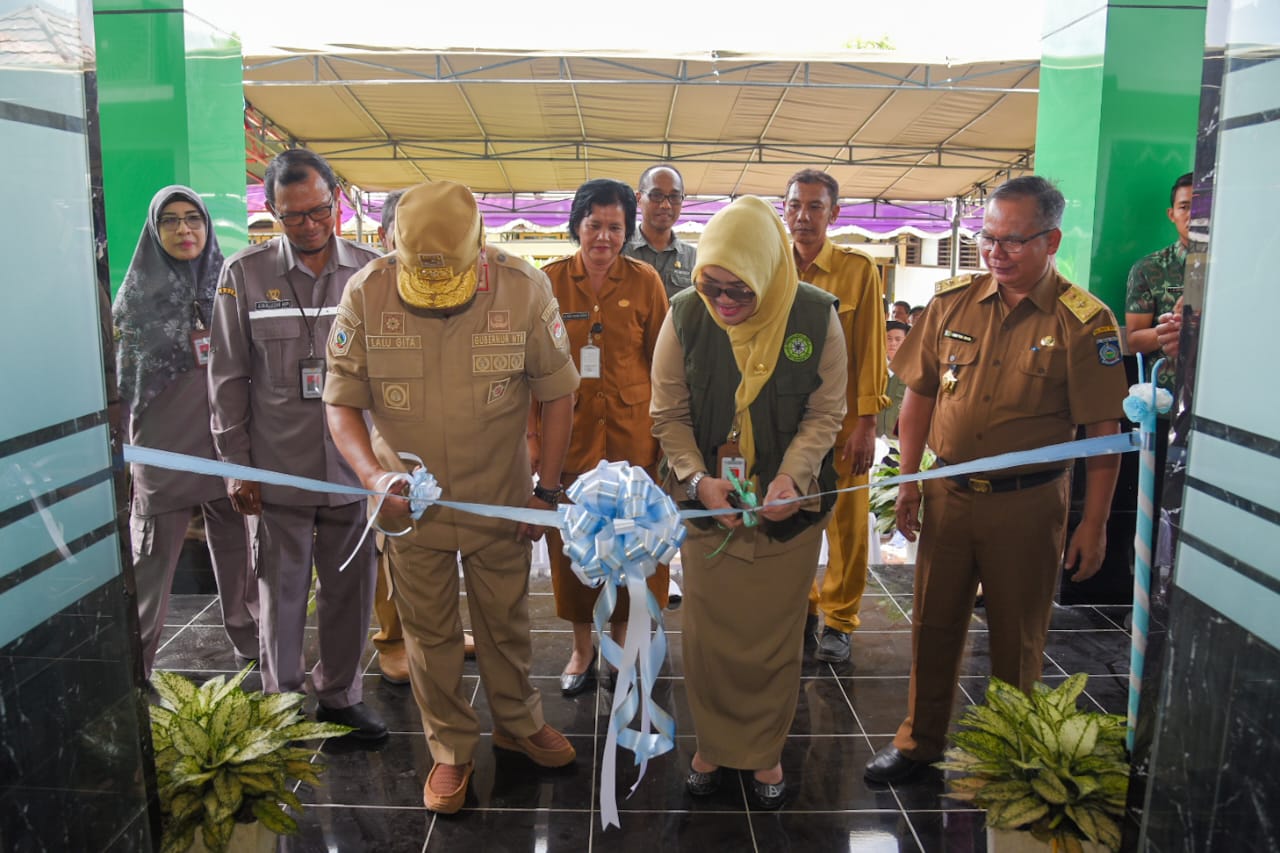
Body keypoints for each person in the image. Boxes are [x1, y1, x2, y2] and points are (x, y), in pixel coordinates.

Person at [324, 180, 580, 815]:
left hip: (499, 500)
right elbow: (341, 403)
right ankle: (449, 750)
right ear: (392, 246)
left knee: (507, 622)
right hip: (409, 509)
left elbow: (558, 393)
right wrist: (371, 478)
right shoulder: (366, 292)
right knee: (428, 633)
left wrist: (545, 491)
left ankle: (518, 724)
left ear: (480, 245)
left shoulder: (525, 288)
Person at [864, 175, 1127, 784]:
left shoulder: (1084, 322)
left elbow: (1104, 432)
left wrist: (1093, 524)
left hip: (1029, 507)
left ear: (1051, 239)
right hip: (949, 498)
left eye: (1013, 241)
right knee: (932, 624)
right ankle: (919, 742)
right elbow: (917, 400)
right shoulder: (952, 303)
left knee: (1018, 635)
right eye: (987, 238)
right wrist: (907, 483)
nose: (995, 253)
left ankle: (1009, 751)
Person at [651, 194, 846, 810]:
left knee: (774, 639)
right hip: (710, 512)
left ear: (768, 269)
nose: (725, 302)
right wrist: (697, 480)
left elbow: (825, 413)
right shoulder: (685, 315)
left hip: (789, 516)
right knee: (709, 639)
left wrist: (793, 476)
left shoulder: (816, 316)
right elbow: (669, 415)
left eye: (740, 288)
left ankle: (763, 752)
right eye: (712, 286)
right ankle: (711, 745)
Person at [208, 149, 385, 740]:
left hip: (351, 469)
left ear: (336, 201)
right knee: (280, 592)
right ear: (272, 211)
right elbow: (228, 379)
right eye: (293, 217)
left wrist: (385, 463)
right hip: (276, 468)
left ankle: (340, 695)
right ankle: (281, 704)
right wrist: (237, 466)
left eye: (318, 212)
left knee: (350, 591)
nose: (309, 226)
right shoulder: (244, 275)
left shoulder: (370, 271)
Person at [112, 185, 258, 679]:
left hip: (227, 443)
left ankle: (251, 642)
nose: (184, 230)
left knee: (239, 549)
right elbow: (123, 388)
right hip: (165, 449)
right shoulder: (135, 301)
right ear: (155, 230)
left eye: (193, 218)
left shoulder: (229, 286)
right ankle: (138, 663)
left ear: (207, 225)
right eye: (170, 221)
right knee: (151, 560)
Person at [539, 179, 670, 696]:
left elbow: (664, 364)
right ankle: (581, 649)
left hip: (634, 442)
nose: (604, 237)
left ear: (627, 231)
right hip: (569, 443)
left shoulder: (645, 283)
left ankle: (622, 647)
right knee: (574, 549)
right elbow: (533, 371)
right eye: (594, 225)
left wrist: (667, 440)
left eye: (615, 227)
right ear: (577, 225)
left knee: (633, 548)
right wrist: (533, 441)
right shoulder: (548, 282)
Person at [369, 190, 475, 685]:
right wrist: (375, 472)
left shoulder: (487, 284)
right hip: (394, 467)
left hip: (471, 472)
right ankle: (392, 641)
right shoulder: (367, 288)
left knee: (455, 581)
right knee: (394, 564)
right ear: (388, 236)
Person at [784, 169, 889, 664]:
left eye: (815, 207)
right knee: (790, 517)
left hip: (845, 423)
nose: (803, 217)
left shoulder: (857, 269)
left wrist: (867, 422)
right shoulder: (769, 264)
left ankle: (840, 620)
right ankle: (799, 610)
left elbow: (871, 347)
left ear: (834, 213)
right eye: (795, 205)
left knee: (845, 526)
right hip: (784, 423)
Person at [1125, 172, 1192, 388]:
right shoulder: (1149, 268)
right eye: (1185, 207)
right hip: (1165, 399)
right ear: (1172, 214)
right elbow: (1134, 340)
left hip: (1225, 397)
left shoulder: (1238, 266)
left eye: (1206, 206)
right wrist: (1172, 330)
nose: (1196, 215)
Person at [623, 164, 697, 301]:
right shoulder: (619, 252)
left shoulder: (695, 259)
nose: (666, 205)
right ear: (638, 199)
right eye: (656, 195)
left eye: (674, 197)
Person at [877, 320, 911, 438]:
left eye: (898, 339)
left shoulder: (912, 372)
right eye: (889, 338)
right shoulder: (874, 369)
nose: (893, 343)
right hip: (874, 439)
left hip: (899, 441)